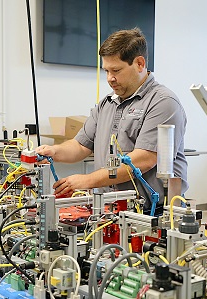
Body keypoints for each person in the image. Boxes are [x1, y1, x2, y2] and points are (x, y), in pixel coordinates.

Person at [36, 28, 188, 214]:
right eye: (106, 70)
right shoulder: (107, 104)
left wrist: (87, 180)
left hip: (149, 213)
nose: (110, 78)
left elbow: (143, 159)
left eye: (116, 70)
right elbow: (81, 146)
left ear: (140, 64)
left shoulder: (163, 102)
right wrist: (55, 151)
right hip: (107, 210)